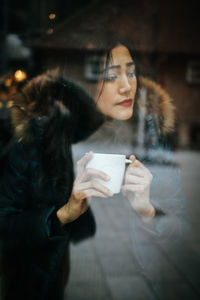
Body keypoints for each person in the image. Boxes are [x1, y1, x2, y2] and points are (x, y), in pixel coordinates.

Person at [0, 72, 115, 300]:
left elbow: (93, 118)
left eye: (52, 104)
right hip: (25, 257)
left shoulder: (59, 129)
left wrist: (62, 84)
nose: (51, 112)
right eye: (45, 106)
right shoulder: (17, 147)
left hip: (58, 241)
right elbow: (5, 225)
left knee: (56, 290)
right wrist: (58, 217)